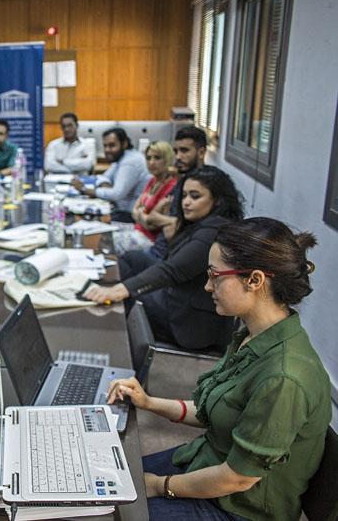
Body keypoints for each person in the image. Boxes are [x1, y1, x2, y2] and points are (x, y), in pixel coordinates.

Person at [107, 217, 330, 521]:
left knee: (113, 509)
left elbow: (237, 479)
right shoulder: (253, 336)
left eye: (215, 275)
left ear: (254, 280)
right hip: (208, 464)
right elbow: (212, 409)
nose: (207, 285)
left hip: (238, 507)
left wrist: (160, 485)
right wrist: (148, 402)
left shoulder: (283, 377)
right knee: (108, 477)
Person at [85, 166, 244, 350]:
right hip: (183, 294)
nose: (186, 202)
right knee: (133, 258)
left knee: (128, 296)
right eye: (184, 196)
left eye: (195, 196)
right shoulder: (207, 223)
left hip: (190, 320)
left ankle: (112, 348)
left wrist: (121, 290)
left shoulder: (212, 232)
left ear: (217, 200)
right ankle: (107, 297)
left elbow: (172, 270)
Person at [144, 125, 209, 259]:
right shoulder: (181, 182)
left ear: (201, 152)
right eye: (176, 151)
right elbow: (152, 217)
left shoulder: (208, 184)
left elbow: (178, 231)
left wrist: (168, 221)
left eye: (184, 150)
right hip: (157, 249)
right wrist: (170, 221)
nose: (178, 157)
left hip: (169, 258)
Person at [72, 127, 150, 223]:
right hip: (119, 210)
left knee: (81, 221)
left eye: (112, 145)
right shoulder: (121, 157)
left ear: (124, 144)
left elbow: (116, 194)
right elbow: (103, 177)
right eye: (105, 146)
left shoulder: (130, 161)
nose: (107, 150)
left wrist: (85, 190)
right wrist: (107, 187)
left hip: (130, 216)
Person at [112, 141, 178, 254]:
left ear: (167, 159)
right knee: (104, 230)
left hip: (149, 239)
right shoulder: (152, 180)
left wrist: (142, 214)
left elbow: (151, 225)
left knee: (107, 242)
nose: (151, 162)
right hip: (137, 229)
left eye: (157, 158)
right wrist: (144, 216)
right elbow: (135, 211)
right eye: (148, 158)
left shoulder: (171, 186)